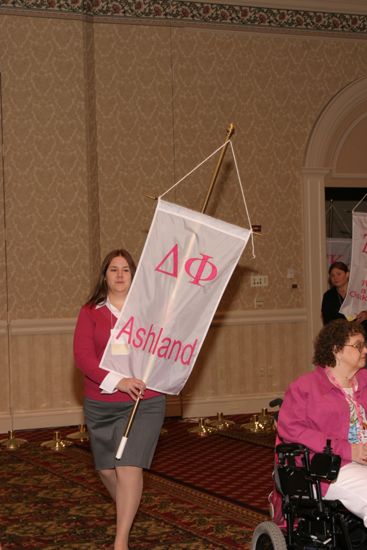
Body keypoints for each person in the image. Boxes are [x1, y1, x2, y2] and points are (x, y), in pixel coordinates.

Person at [73, 249, 165, 550]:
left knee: (129, 466)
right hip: (102, 402)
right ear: (105, 276)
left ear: (134, 275)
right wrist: (119, 381)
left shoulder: (150, 310)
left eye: (126, 269)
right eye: (114, 269)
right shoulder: (90, 312)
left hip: (144, 400)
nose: (120, 274)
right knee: (106, 469)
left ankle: (120, 541)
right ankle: (128, 507)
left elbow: (168, 347)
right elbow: (83, 358)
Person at [277, 319, 367, 526]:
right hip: (329, 467)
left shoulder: (364, 380)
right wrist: (347, 450)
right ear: (337, 350)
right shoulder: (307, 386)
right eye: (358, 345)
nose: (365, 350)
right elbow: (291, 428)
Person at [322, 261, 367, 330]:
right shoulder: (328, 296)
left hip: (362, 331)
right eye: (332, 275)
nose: (335, 278)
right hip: (339, 335)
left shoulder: (360, 291)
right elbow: (327, 321)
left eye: (338, 274)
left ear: (347, 274)